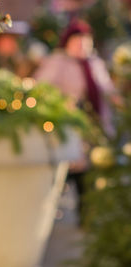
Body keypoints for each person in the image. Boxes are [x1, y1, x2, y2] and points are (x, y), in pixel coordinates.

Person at [33, 19, 116, 222]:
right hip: (66, 123)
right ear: (68, 42)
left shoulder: (94, 63)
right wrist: (62, 102)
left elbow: (106, 89)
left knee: (89, 169)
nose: (81, 45)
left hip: (92, 123)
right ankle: (48, 211)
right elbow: (40, 87)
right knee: (68, 168)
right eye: (77, 41)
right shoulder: (58, 62)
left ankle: (85, 212)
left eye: (85, 41)